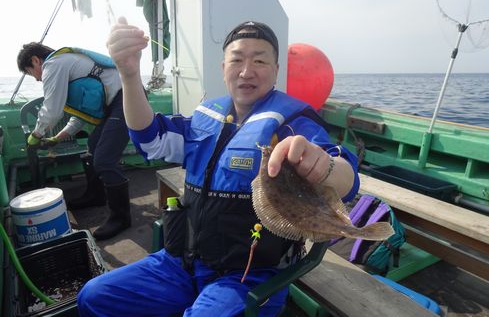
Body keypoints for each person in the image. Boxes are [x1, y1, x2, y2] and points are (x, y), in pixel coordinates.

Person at [77, 19, 360, 317]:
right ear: (223, 66)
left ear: (276, 69)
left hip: (248, 274)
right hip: (181, 263)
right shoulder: (205, 116)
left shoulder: (294, 122)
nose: (246, 71)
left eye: (260, 61)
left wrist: (325, 166)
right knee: (94, 296)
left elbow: (346, 177)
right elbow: (150, 139)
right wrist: (129, 74)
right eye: (236, 60)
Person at [17, 43, 131, 240]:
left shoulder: (54, 63)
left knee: (104, 160)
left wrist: (36, 135)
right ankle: (96, 196)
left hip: (126, 98)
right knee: (92, 149)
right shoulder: (68, 68)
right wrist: (56, 138)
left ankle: (121, 217)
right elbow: (80, 116)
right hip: (112, 106)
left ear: (36, 60)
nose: (36, 79)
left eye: (31, 72)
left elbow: (51, 110)